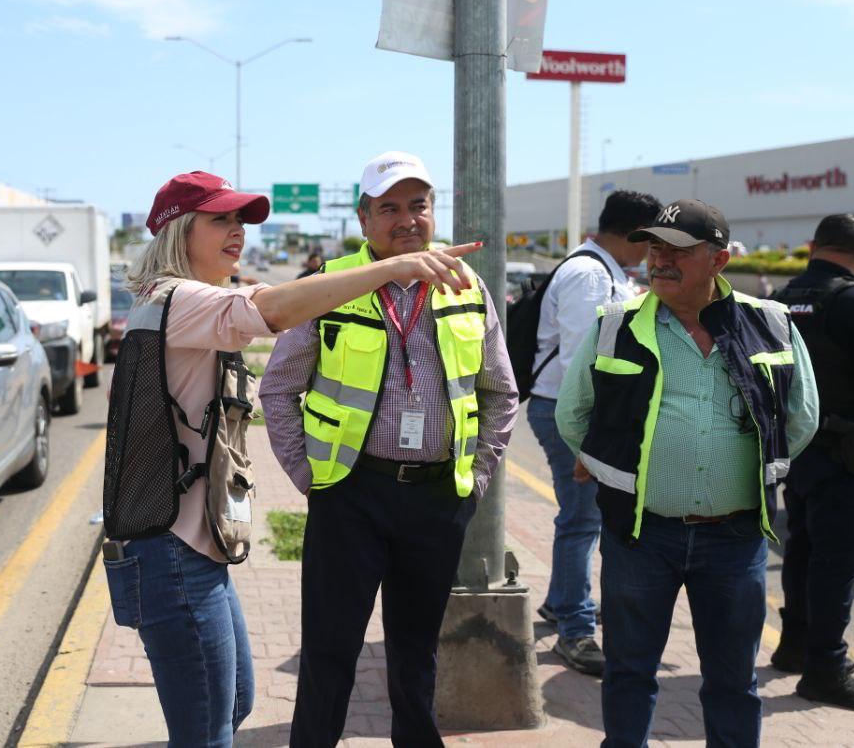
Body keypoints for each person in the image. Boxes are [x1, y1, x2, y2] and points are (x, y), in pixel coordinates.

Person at [102, 169, 481, 747]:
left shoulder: (185, 301)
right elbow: (272, 313)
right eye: (219, 219)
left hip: (195, 548)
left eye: (240, 221)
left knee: (234, 702)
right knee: (208, 728)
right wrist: (396, 266)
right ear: (179, 231)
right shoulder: (178, 300)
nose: (237, 232)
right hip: (172, 551)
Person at [260, 151, 518, 746]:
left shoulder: (466, 285)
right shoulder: (328, 285)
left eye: (418, 206)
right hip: (351, 495)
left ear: (433, 212)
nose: (407, 220)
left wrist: (475, 480)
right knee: (329, 652)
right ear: (363, 218)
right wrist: (309, 476)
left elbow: (501, 391)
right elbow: (278, 389)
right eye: (390, 208)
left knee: (415, 655)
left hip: (434, 501)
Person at [556, 199, 819, 747]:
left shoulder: (768, 323)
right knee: (628, 673)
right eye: (654, 247)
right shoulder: (616, 323)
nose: (660, 260)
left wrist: (744, 467)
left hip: (736, 536)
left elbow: (801, 418)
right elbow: (571, 413)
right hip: (640, 535)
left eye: (678, 250)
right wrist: (606, 462)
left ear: (719, 260)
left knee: (733, 682)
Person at [529, 190, 661, 676]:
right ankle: (575, 629)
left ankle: (563, 600)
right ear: (634, 234)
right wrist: (593, 438)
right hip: (569, 412)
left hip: (572, 411)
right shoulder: (590, 274)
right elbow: (579, 366)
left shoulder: (606, 271)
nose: (653, 253)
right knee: (582, 521)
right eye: (651, 241)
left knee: (583, 518)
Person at [770, 214, 854, 713]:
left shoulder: (779, 300)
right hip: (848, 456)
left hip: (795, 449)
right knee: (836, 562)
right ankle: (826, 668)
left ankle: (793, 645)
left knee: (803, 547)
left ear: (812, 247)